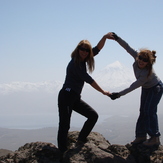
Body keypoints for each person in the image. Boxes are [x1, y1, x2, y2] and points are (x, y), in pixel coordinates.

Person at [57, 33, 113, 156]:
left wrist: (104, 37)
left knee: (93, 116)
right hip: (66, 96)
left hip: (74, 97)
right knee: (65, 124)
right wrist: (103, 92)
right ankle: (62, 151)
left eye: (86, 50)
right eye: (82, 49)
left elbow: (97, 49)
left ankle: (81, 139)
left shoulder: (84, 59)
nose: (84, 52)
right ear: (78, 50)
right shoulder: (75, 64)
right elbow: (89, 80)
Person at [109, 32, 163, 146]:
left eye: (145, 60)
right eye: (140, 58)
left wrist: (118, 94)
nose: (141, 61)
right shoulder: (137, 56)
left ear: (148, 62)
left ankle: (155, 138)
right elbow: (127, 47)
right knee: (143, 111)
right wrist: (117, 38)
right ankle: (141, 136)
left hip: (155, 88)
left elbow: (132, 87)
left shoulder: (146, 74)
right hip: (147, 88)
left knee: (149, 111)